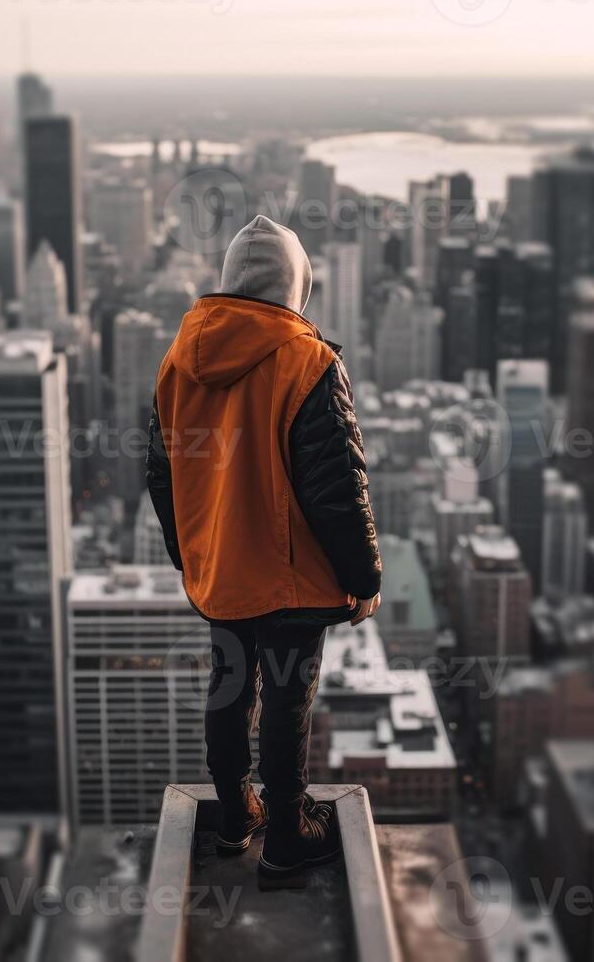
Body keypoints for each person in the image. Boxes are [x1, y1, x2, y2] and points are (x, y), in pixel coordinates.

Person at [146, 215, 382, 887]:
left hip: (219, 568)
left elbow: (161, 476)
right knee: (286, 701)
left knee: (228, 688)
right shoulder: (309, 364)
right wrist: (362, 576)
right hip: (290, 580)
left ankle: (233, 817)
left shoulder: (176, 362)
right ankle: (286, 835)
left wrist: (189, 553)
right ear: (296, 285)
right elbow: (338, 488)